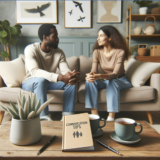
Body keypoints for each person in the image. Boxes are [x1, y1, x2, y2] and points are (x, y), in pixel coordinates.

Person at [22, 24, 80, 121]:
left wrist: (72, 76)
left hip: (48, 82)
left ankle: (67, 117)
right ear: (45, 37)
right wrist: (60, 77)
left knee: (71, 83)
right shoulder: (31, 49)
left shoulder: (59, 52)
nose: (57, 39)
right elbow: (34, 72)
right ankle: (44, 118)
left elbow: (65, 70)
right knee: (40, 81)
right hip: (31, 82)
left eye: (57, 36)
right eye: (54, 36)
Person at [85, 25, 132, 121]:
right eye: (98, 36)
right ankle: (95, 116)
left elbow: (115, 74)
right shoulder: (96, 52)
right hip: (106, 80)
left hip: (120, 80)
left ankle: (111, 118)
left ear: (110, 38)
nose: (98, 39)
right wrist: (91, 76)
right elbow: (94, 70)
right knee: (89, 82)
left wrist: (100, 76)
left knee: (112, 81)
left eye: (101, 36)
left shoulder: (120, 52)